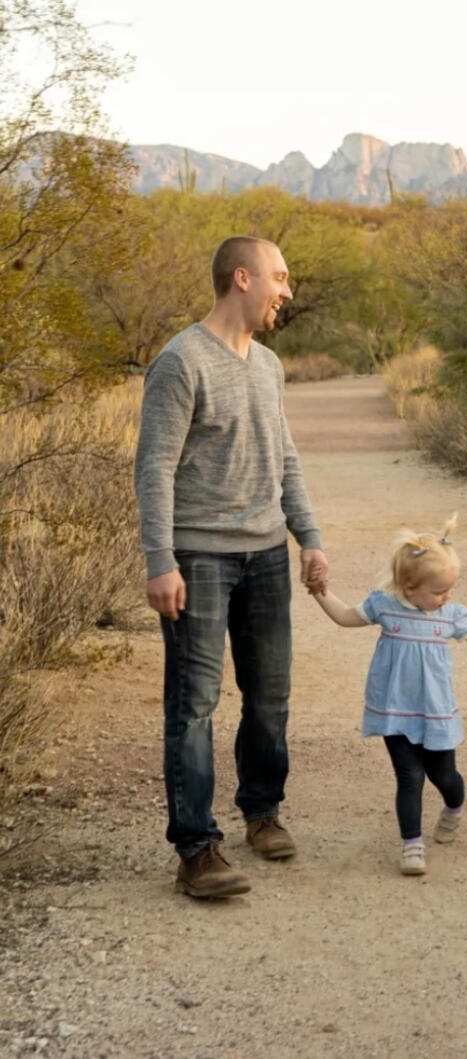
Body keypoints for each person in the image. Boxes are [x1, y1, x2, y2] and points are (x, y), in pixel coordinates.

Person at [134, 236, 328, 900]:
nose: (287, 290)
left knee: (270, 695)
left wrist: (308, 535)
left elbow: (286, 458)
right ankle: (196, 848)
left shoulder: (269, 365)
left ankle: (262, 810)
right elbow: (154, 467)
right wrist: (160, 560)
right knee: (193, 705)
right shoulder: (180, 360)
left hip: (267, 553)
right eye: (279, 276)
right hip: (197, 554)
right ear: (241, 278)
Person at [311, 516, 467, 876]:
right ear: (408, 587)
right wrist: (319, 591)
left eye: (450, 589)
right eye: (439, 591)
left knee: (445, 776)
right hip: (395, 710)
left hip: (435, 711)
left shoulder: (450, 615)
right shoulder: (386, 607)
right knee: (409, 776)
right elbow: (346, 617)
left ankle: (454, 807)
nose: (447, 597)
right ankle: (412, 845)